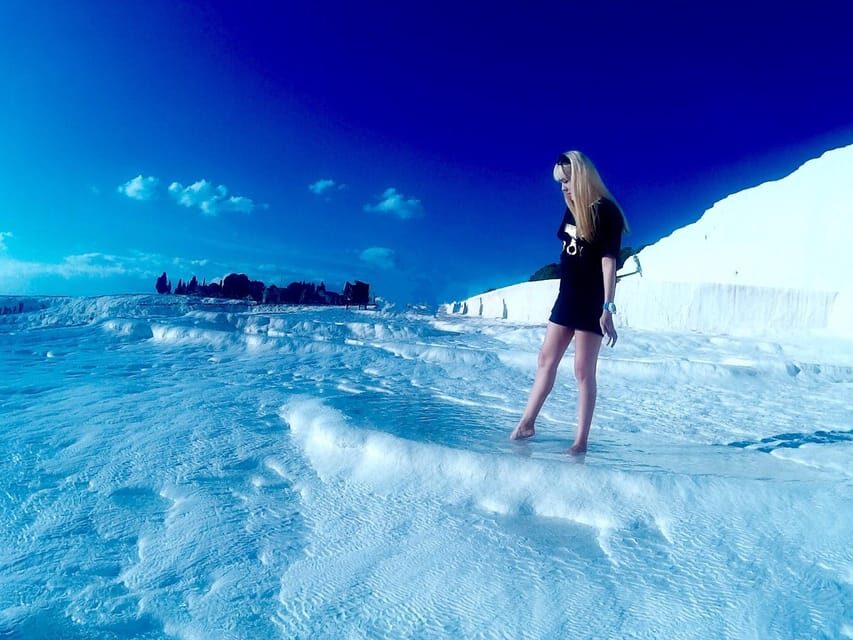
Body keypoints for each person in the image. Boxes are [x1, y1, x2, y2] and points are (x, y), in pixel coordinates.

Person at [510, 150, 629, 454]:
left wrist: (608, 307)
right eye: (560, 182)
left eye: (568, 179)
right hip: (567, 297)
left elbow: (608, 263)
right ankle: (527, 422)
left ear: (583, 175)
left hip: (592, 300)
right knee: (545, 359)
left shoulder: (606, 212)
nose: (563, 187)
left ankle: (581, 441)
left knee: (582, 371)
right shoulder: (571, 211)